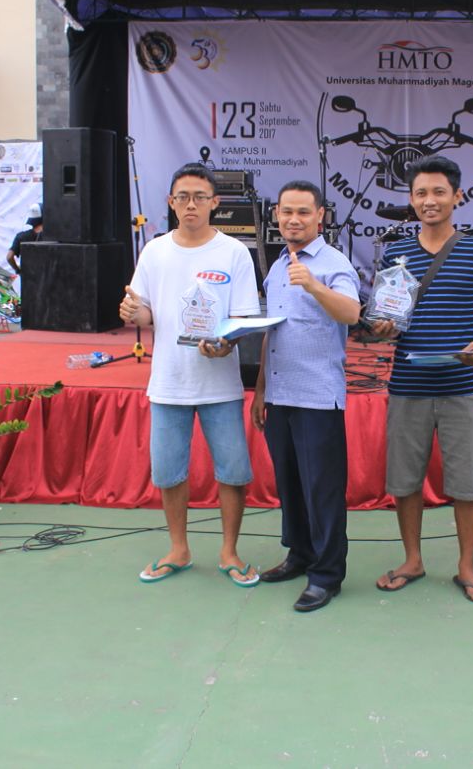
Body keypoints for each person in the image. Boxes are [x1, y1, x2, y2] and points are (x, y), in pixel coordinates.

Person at [369, 155, 473, 603]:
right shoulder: (396, 254)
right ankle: (413, 559)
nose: (430, 200)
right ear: (411, 199)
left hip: (462, 387)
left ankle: (466, 567)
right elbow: (386, 318)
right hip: (408, 385)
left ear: (457, 196)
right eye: (421, 193)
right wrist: (384, 328)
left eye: (439, 192)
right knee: (404, 480)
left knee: (469, 483)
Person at [119, 163, 261, 587]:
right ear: (171, 202)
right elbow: (145, 309)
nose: (191, 204)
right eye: (183, 197)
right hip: (168, 381)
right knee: (168, 471)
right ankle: (178, 548)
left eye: (200, 197)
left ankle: (229, 551)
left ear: (215, 202)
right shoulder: (155, 251)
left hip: (219, 383)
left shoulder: (233, 252)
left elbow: (242, 319)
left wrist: (226, 345)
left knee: (233, 471)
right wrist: (134, 313)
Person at [251, 181, 360, 612]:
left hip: (317, 396)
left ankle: (327, 574)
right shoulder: (277, 265)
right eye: (286, 212)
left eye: (303, 212)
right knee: (290, 483)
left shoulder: (334, 263)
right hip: (280, 394)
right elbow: (272, 332)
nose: (293, 219)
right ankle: (299, 554)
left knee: (322, 489)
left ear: (320, 216)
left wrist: (314, 286)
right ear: (276, 215)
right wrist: (261, 389)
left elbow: (352, 312)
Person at [6, 203, 44, 274]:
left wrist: (18, 270)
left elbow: (9, 257)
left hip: (28, 279)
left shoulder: (21, 237)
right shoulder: (52, 237)